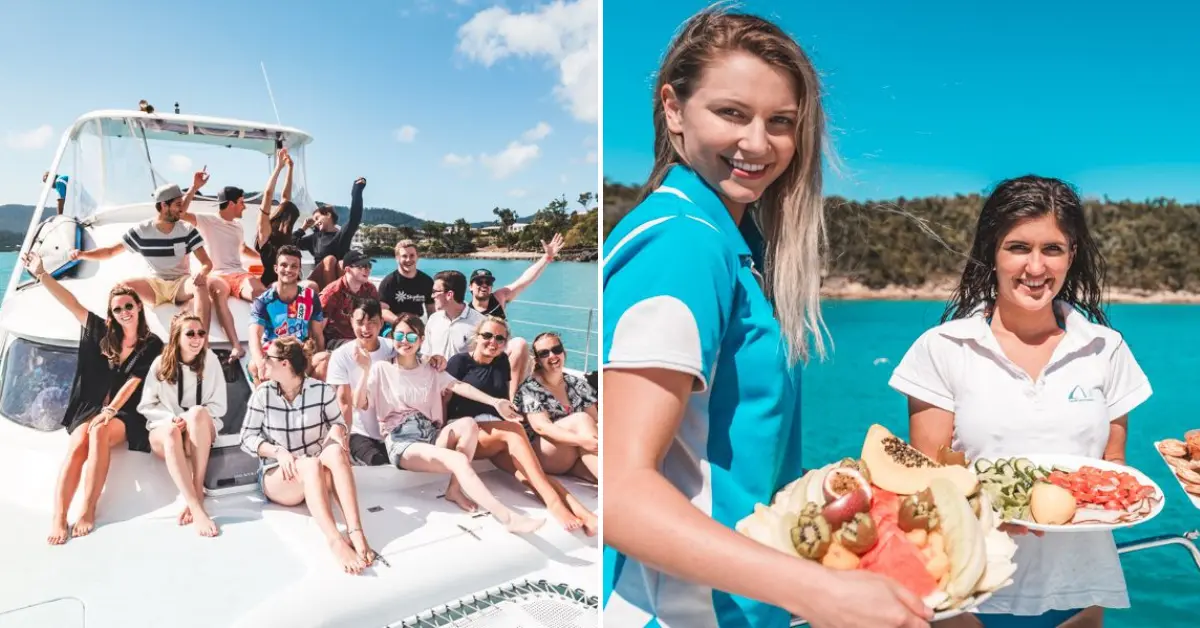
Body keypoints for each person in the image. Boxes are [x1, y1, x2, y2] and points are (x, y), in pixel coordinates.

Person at [601, 8, 933, 628]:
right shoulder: (682, 243)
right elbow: (619, 494)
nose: (759, 143)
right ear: (673, 109)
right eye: (732, 113)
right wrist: (817, 592)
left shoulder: (732, 244)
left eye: (780, 122)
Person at [889, 176, 1150, 628]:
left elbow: (1112, 466)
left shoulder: (1105, 349)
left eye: (1052, 249)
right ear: (993, 252)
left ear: (1072, 255)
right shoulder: (943, 348)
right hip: (971, 590)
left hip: (1079, 588)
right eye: (1017, 247)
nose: (1035, 267)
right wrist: (986, 514)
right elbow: (925, 481)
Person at [352, 313, 543, 534]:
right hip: (403, 441)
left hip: (431, 435)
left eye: (412, 337)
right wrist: (364, 370)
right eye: (399, 335)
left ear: (421, 340)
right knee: (458, 459)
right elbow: (361, 403)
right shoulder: (381, 369)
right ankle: (508, 517)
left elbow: (460, 386)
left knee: (468, 424)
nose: (405, 341)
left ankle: (454, 490)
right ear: (392, 337)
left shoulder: (430, 368)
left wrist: (496, 402)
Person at [24, 252, 165, 545]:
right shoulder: (100, 331)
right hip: (89, 405)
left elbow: (135, 381)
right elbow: (70, 302)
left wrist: (110, 411)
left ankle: (88, 509)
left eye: (129, 306)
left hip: (126, 411)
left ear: (138, 307)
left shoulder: (152, 344)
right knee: (77, 446)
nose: (124, 312)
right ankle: (59, 517)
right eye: (117, 309)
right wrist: (42, 274)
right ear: (111, 314)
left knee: (99, 430)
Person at [447, 317, 598, 535]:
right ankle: (556, 506)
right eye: (488, 336)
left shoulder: (501, 364)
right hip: (467, 431)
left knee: (533, 476)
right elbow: (444, 397)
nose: (493, 342)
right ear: (476, 337)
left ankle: (584, 514)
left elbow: (505, 396)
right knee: (515, 433)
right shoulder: (459, 362)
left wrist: (510, 413)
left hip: (496, 432)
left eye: (500, 338)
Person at [239, 336, 376, 574]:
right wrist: (278, 451)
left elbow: (338, 423)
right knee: (311, 464)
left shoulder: (321, 390)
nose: (262, 361)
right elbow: (247, 438)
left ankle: (356, 531)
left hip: (315, 472)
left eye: (268, 357)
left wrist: (336, 432)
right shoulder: (263, 394)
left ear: (285, 364)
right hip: (280, 476)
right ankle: (334, 539)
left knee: (334, 451)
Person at [69, 176, 214, 325]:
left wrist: (201, 273)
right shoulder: (142, 230)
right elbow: (110, 251)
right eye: (178, 205)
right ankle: (113, 332)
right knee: (121, 287)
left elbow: (207, 263)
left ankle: (202, 339)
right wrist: (82, 255)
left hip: (181, 284)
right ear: (164, 206)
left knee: (200, 285)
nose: (182, 209)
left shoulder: (187, 229)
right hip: (154, 285)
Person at [137, 313, 227, 537]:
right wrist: (171, 419)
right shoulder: (160, 364)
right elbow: (146, 405)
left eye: (201, 333)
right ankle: (196, 507)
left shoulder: (211, 360)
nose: (197, 338)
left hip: (199, 432)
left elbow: (219, 406)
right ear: (177, 337)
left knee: (197, 413)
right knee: (170, 431)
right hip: (167, 434)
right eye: (190, 334)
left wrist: (186, 419)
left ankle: (197, 490)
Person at [174, 170, 261, 362]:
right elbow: (179, 214)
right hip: (217, 275)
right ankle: (236, 347)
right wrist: (194, 187)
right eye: (241, 202)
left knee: (261, 295)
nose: (244, 207)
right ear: (230, 204)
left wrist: (263, 258)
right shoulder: (208, 220)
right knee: (220, 294)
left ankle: (267, 342)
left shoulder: (238, 226)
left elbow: (243, 248)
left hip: (239, 275)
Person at [467, 232, 564, 394]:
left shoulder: (499, 298)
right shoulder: (466, 311)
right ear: (471, 286)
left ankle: (511, 396)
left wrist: (547, 258)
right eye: (479, 282)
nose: (484, 285)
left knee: (520, 344)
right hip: (481, 356)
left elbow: (526, 280)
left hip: (502, 350)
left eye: (488, 282)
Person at [324, 297, 396, 466]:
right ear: (351, 321)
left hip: (392, 430)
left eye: (372, 322)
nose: (365, 329)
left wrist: (432, 358)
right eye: (360, 322)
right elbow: (345, 402)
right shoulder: (341, 355)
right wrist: (345, 442)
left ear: (381, 322)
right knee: (378, 463)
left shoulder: (393, 348)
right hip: (360, 432)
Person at [516, 333, 598, 482]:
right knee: (581, 419)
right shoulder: (530, 388)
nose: (552, 355)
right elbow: (542, 427)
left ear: (563, 352)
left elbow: (595, 419)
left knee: (597, 474)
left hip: (572, 453)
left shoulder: (578, 384)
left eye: (556, 349)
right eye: (544, 353)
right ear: (538, 360)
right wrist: (581, 441)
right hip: (545, 454)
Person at [247, 245, 327, 383]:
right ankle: (264, 403)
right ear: (276, 268)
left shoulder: (310, 297)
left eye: (294, 266)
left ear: (299, 270)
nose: (288, 270)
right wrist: (261, 364)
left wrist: (318, 354)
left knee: (325, 358)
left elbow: (318, 334)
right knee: (254, 366)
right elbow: (254, 336)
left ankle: (309, 397)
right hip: (275, 354)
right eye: (284, 265)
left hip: (301, 354)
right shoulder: (264, 301)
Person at [293, 177, 366, 290]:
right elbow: (292, 243)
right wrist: (303, 228)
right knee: (330, 259)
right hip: (318, 281)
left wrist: (357, 190)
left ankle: (346, 300)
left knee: (342, 263)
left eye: (317, 218)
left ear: (328, 215)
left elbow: (354, 218)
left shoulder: (341, 235)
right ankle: (330, 298)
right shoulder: (315, 238)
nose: (315, 222)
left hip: (337, 280)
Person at [255, 149, 304, 289]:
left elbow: (286, 198)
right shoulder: (265, 233)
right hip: (273, 284)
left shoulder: (285, 236)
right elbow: (268, 194)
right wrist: (278, 167)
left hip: (293, 281)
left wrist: (290, 168)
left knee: (310, 287)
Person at [319, 250, 380, 351]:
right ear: (347, 269)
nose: (367, 269)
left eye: (369, 265)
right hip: (335, 341)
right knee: (357, 348)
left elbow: (375, 317)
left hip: (363, 336)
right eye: (362, 266)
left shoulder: (370, 289)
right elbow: (318, 328)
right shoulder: (331, 293)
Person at [421, 270, 484, 362]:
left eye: (435, 291)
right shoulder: (433, 319)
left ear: (449, 295)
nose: (432, 296)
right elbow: (426, 355)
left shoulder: (481, 323)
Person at [378, 239, 434, 323]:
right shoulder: (388, 283)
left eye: (412, 255)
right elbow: (383, 311)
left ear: (417, 257)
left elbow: (431, 310)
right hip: (392, 323)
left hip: (416, 323)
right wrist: (401, 323)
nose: (408, 259)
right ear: (397, 258)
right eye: (404, 256)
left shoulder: (427, 281)